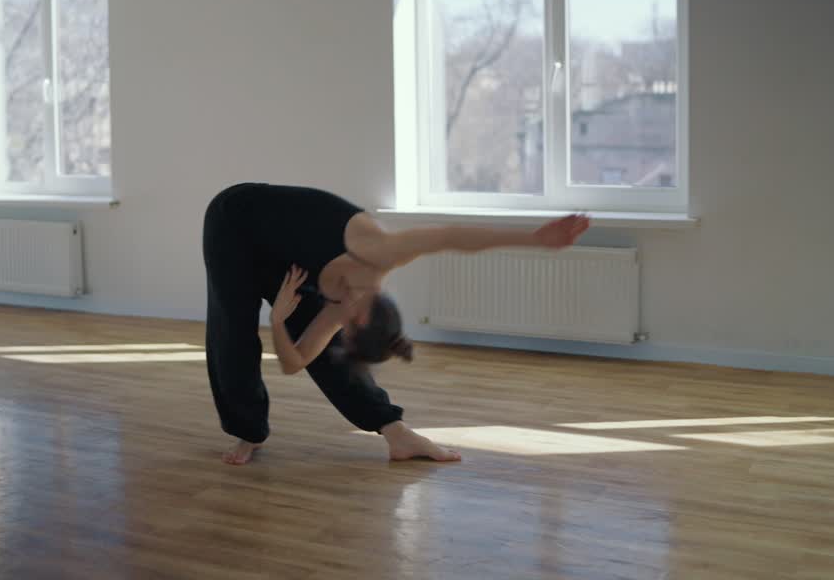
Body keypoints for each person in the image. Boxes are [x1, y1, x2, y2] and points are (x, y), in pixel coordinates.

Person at [202, 183, 589, 465]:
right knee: (232, 331)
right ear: (365, 316)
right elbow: (450, 236)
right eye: (349, 333)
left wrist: (278, 320)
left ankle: (397, 433)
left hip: (288, 265)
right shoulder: (378, 250)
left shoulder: (339, 310)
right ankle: (248, 431)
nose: (340, 331)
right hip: (235, 221)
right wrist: (534, 239)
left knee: (329, 355)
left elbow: (294, 362)